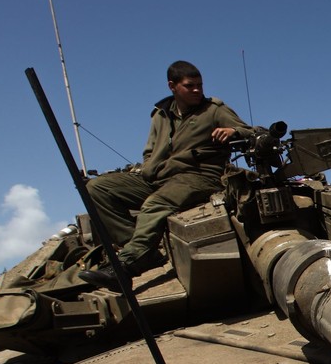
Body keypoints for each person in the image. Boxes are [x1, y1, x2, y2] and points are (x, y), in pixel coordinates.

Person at [79, 61, 254, 288]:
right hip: (159, 178)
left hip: (199, 176)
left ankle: (127, 266)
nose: (197, 90)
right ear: (172, 86)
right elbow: (150, 149)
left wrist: (233, 131)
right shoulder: (160, 115)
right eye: (189, 86)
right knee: (96, 189)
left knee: (155, 204)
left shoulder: (213, 110)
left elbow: (252, 132)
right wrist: (150, 165)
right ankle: (144, 250)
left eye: (199, 85)